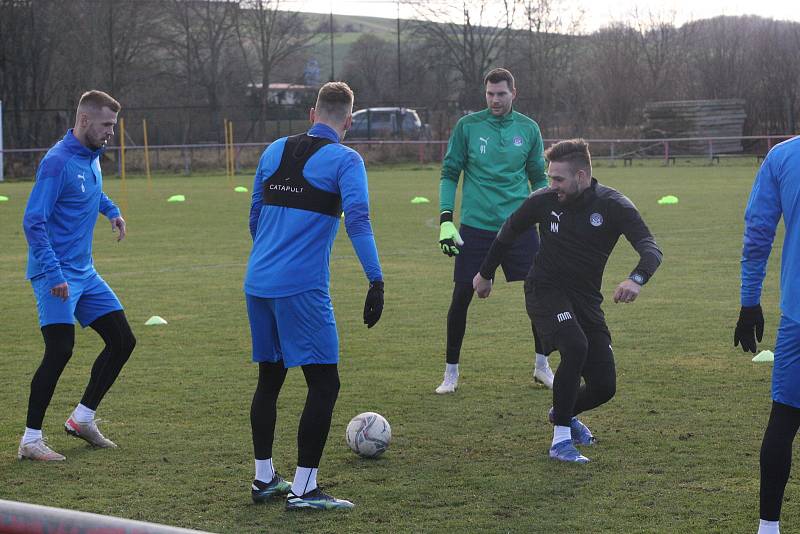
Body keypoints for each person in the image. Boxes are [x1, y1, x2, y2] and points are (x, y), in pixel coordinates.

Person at [473, 139, 662, 463]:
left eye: (558, 179)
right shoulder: (543, 200)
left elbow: (651, 248)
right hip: (544, 289)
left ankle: (564, 411)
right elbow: (509, 230)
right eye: (550, 177)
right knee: (575, 346)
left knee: (604, 386)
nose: (552, 185)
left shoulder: (613, 205)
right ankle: (560, 441)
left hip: (586, 300)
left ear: (582, 175)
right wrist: (485, 273)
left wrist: (637, 278)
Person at [244, 81, 383, 510]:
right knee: (325, 383)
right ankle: (304, 490)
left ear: (312, 113)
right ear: (350, 122)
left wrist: (273, 250)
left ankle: (264, 479)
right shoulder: (346, 159)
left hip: (257, 282)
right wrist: (375, 280)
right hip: (301, 287)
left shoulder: (273, 150)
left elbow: (254, 215)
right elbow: (358, 220)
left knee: (270, 379)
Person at [19, 90, 136, 461]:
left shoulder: (91, 156)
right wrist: (54, 272)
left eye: (113, 126)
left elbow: (90, 192)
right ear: (84, 120)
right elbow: (32, 220)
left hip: (85, 273)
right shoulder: (57, 162)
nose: (111, 133)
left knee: (122, 340)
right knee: (60, 350)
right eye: (106, 125)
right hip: (55, 274)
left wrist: (112, 210)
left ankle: (82, 419)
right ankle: (30, 440)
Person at [436, 67, 553, 394]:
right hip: (475, 228)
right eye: (490, 94)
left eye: (501, 93)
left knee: (540, 295)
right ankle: (451, 373)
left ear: (513, 93)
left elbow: (538, 178)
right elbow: (449, 173)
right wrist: (446, 219)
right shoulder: (467, 127)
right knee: (461, 297)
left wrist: (544, 212)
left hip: (520, 226)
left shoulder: (529, 129)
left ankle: (542, 366)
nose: (495, 99)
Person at [734, 135, 800, 534]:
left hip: (797, 316)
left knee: (785, 417)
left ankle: (768, 528)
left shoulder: (783, 155)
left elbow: (758, 233)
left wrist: (749, 302)